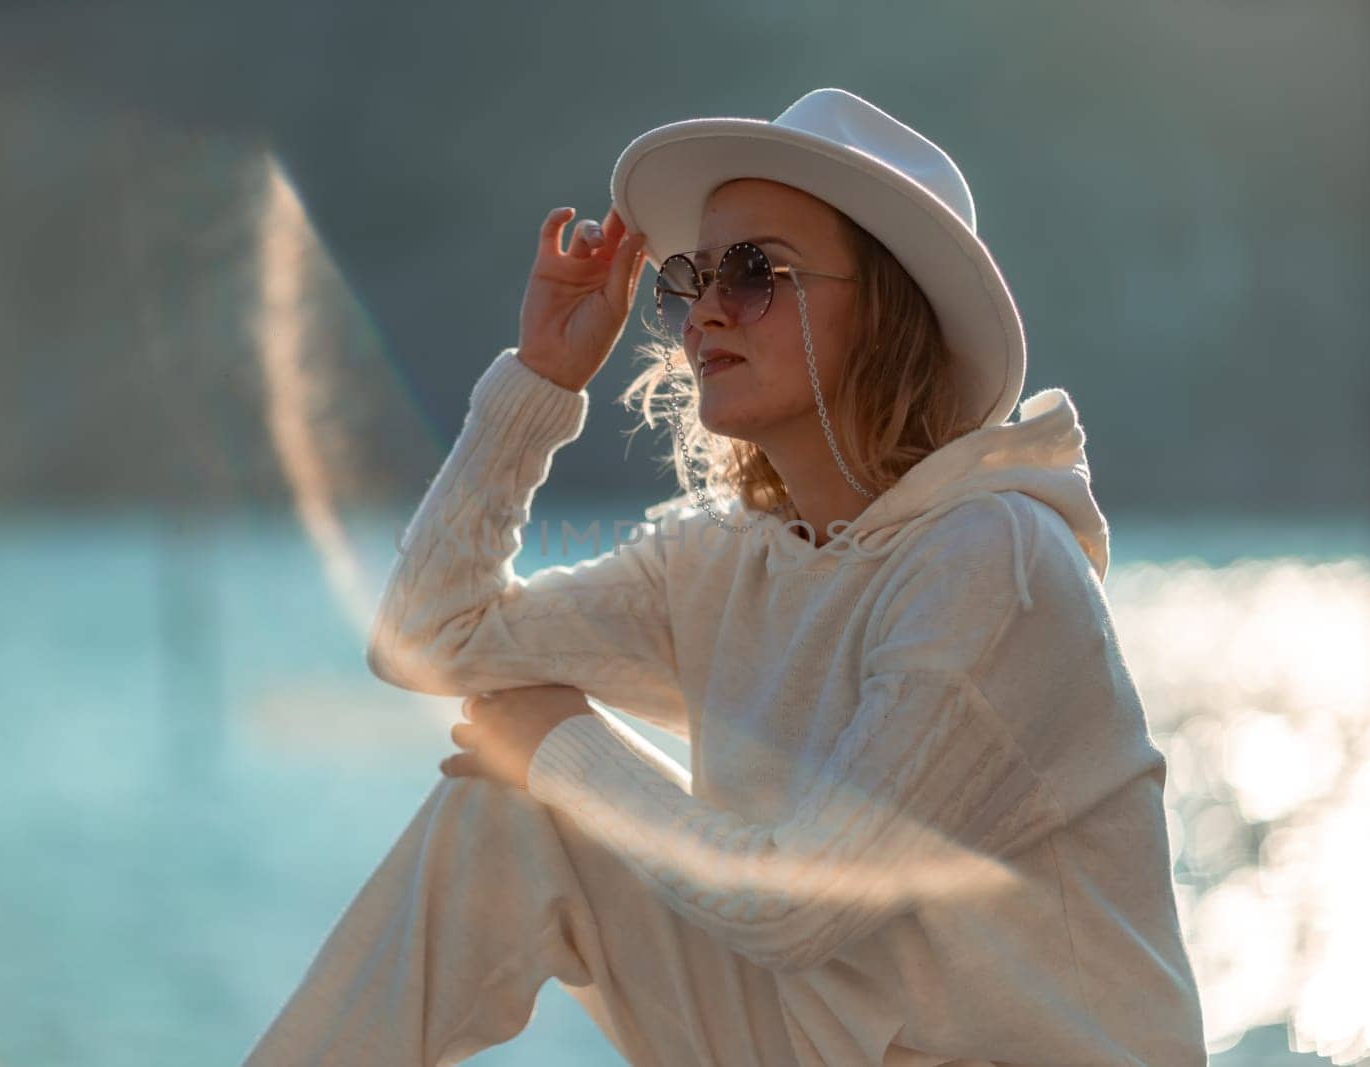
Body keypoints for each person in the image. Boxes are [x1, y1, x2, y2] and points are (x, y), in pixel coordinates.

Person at [242, 88, 1207, 1066]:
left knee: (542, 782)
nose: (702, 307)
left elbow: (799, 906)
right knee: (503, 815)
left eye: (753, 271)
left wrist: (560, 746)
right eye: (688, 276)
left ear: (886, 310)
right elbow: (428, 637)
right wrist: (539, 382)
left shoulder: (993, 554)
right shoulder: (724, 559)